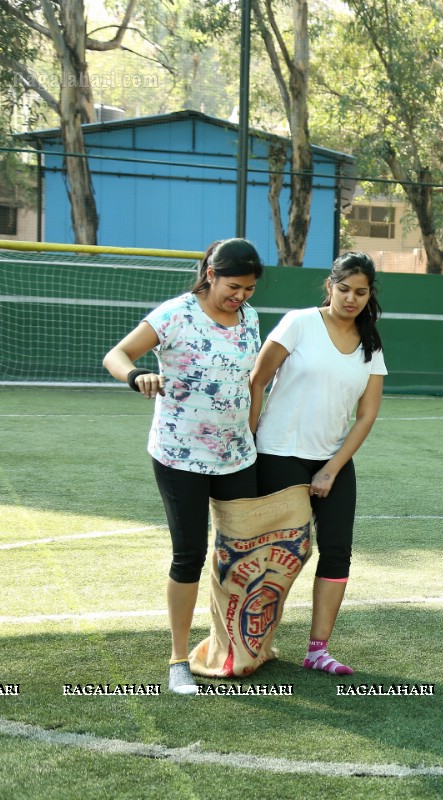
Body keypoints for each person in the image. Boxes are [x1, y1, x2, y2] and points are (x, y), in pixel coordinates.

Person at [102, 238, 264, 695]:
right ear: (211, 274)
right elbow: (116, 355)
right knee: (190, 555)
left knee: (241, 557)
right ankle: (178, 658)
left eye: (250, 289)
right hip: (181, 455)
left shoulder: (250, 318)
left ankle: (235, 646)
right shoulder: (174, 314)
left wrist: (251, 431)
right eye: (235, 286)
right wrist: (137, 376)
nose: (242, 297)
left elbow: (251, 382)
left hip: (236, 454)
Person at [249, 252, 386, 676]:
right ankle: (252, 642)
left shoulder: (370, 342)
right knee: (276, 554)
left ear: (369, 294)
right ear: (330, 286)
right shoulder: (299, 322)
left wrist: (331, 468)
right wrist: (248, 446)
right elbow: (257, 380)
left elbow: (366, 415)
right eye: (344, 289)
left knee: (338, 552)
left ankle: (317, 650)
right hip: (277, 453)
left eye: (360, 292)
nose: (351, 299)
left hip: (332, 460)